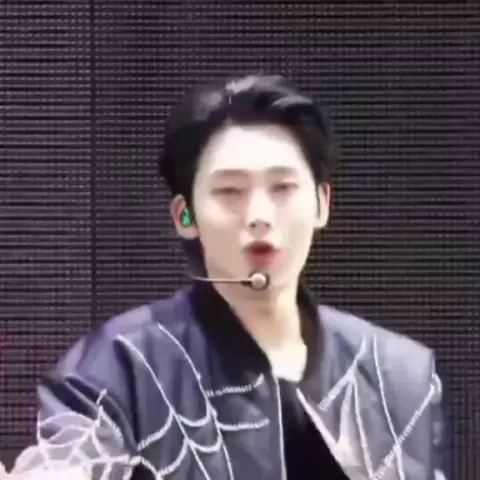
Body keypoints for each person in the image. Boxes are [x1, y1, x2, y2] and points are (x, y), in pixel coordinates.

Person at [13, 74, 450, 480]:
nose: (259, 215)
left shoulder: (401, 374)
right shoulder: (115, 367)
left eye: (283, 188)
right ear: (185, 216)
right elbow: (66, 461)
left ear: (322, 204)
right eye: (229, 191)